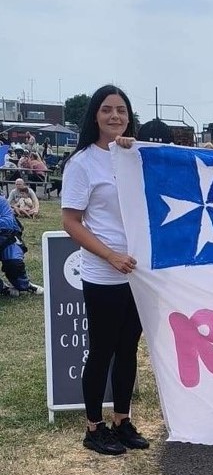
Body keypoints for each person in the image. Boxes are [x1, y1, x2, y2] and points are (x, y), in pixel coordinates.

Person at [61, 84, 149, 456]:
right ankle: (94, 427)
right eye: (107, 109)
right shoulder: (82, 163)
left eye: (121, 110)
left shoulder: (136, 156)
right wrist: (110, 255)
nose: (115, 116)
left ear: (129, 116)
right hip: (104, 273)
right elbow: (71, 221)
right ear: (95, 116)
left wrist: (131, 149)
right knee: (102, 350)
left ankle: (121, 420)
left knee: (128, 348)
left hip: (139, 274)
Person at [0, 196, 44, 297]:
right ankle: (2, 288)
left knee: (13, 263)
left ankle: (24, 284)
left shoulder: (1, 201)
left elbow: (7, 223)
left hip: (7, 238)